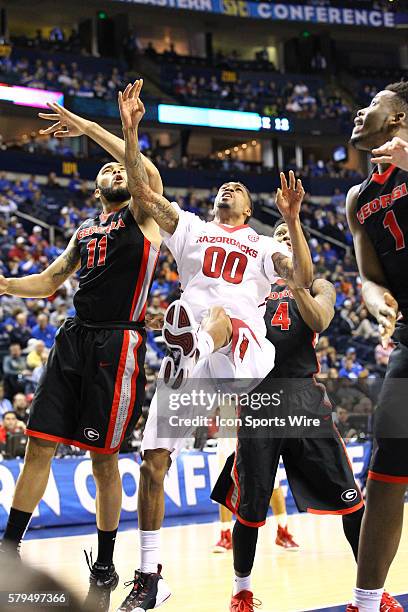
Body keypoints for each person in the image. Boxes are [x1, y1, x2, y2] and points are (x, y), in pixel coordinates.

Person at [116, 80, 313, 611]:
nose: (227, 188)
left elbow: (303, 274)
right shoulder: (192, 229)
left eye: (237, 188)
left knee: (214, 313)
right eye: (222, 186)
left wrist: (292, 221)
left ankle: (191, 344)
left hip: (245, 352)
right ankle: (149, 575)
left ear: (250, 209)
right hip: (196, 365)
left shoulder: (260, 241)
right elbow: (143, 195)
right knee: (153, 458)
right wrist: (131, 133)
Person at [0, 84, 163, 612]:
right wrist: (4, 283)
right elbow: (48, 281)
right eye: (109, 172)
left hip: (120, 342)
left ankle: (109, 562)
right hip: (73, 339)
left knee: (103, 460)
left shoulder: (144, 214)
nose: (117, 173)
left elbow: (143, 172)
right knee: (39, 445)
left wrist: (107, 128)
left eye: (122, 169)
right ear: (95, 187)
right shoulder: (86, 228)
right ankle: (8, 551)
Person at [212, 219, 401, 612]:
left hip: (304, 397)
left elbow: (319, 320)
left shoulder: (321, 286)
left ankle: (371, 591)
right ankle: (241, 592)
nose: (286, 241)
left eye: (293, 237)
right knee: (250, 506)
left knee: (351, 500)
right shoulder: (249, 285)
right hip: (257, 398)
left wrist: (297, 282)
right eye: (279, 237)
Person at [345, 82, 408, 612]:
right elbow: (367, 273)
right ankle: (366, 602)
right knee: (387, 467)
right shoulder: (358, 196)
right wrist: (373, 295)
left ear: (399, 117)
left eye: (373, 106)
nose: (361, 112)